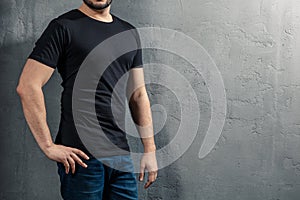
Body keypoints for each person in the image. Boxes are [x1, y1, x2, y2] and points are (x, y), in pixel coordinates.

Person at [16, 0, 158, 199]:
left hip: (120, 155)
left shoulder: (129, 32)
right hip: (81, 158)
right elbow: (27, 86)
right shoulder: (64, 27)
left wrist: (149, 149)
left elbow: (138, 94)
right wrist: (48, 146)